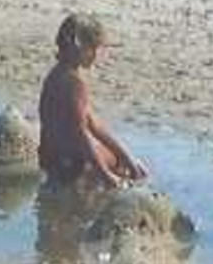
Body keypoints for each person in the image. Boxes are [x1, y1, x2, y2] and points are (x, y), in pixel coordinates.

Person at [37, 13, 148, 187]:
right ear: (78, 46)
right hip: (71, 164)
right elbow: (81, 134)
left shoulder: (54, 76)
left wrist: (127, 157)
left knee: (118, 157)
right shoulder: (75, 84)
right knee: (116, 164)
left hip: (50, 161)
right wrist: (108, 176)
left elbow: (94, 125)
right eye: (93, 48)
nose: (97, 55)